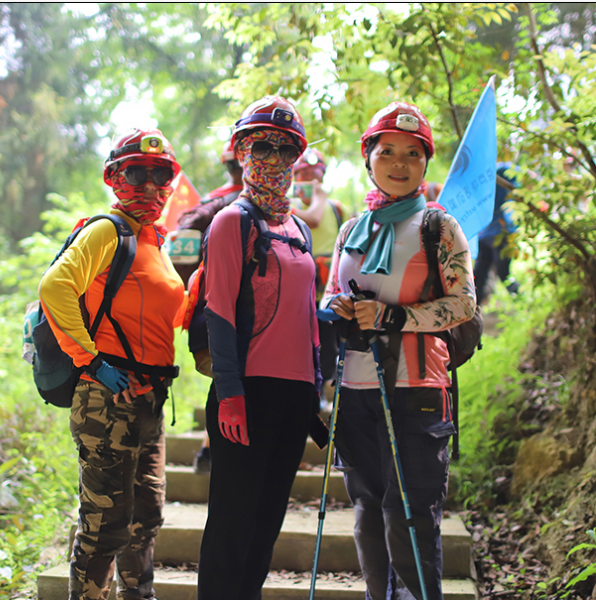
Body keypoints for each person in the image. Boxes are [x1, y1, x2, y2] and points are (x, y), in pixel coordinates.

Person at [321, 101, 477, 600]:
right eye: (387, 151)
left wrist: (394, 317)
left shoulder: (438, 227)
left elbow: (465, 305)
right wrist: (339, 310)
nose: (399, 163)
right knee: (368, 511)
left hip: (416, 392)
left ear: (426, 162)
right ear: (369, 157)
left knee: (408, 514)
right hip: (355, 390)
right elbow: (329, 294)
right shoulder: (351, 231)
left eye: (413, 153)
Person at [39, 128, 185, 600]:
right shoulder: (108, 230)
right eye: (137, 173)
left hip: (148, 399)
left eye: (160, 173)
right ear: (115, 177)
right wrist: (92, 360)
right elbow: (56, 287)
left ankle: (138, 595)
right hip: (107, 398)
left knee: (147, 516)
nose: (149, 184)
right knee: (106, 524)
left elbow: (166, 317)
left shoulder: (155, 242)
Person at [197, 95, 326, 600]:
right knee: (232, 523)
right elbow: (220, 311)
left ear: (297, 156)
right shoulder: (233, 221)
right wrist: (229, 391)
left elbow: (307, 320)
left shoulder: (297, 228)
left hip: (294, 397)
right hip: (245, 393)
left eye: (284, 148)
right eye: (261, 146)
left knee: (267, 522)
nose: (273, 158)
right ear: (242, 151)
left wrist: (317, 390)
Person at [169, 141, 244, 474]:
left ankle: (210, 450)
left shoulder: (209, 204)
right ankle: (218, 451)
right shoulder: (265, 207)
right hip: (245, 320)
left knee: (223, 383)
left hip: (207, 321)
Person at [290, 148, 346, 407]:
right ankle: (306, 388)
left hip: (328, 280)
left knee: (329, 336)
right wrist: (319, 198)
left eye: (315, 174)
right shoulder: (288, 206)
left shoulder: (336, 208)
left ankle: (327, 388)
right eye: (304, 174)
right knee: (301, 336)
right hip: (299, 279)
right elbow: (311, 219)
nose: (311, 180)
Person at [473, 161, 519, 305]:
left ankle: (523, 301)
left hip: (500, 232)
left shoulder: (501, 171)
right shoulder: (489, 173)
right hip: (487, 232)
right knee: (480, 274)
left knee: (501, 272)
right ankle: (472, 311)